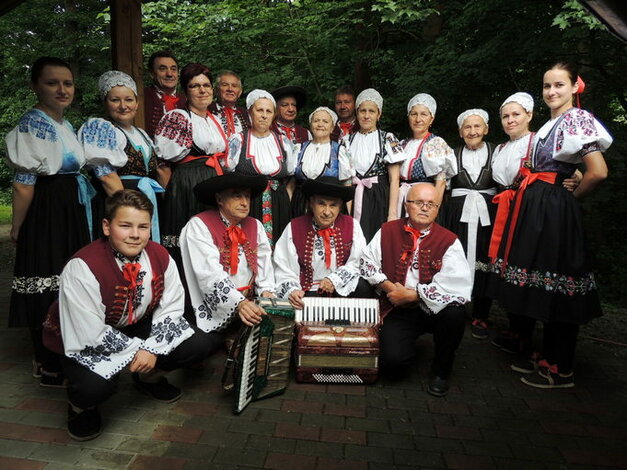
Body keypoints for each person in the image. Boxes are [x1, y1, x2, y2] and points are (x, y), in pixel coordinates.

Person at [50, 190, 214, 441]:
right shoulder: (82, 266)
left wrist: (152, 349)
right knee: (96, 386)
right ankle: (81, 406)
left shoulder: (160, 255)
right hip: (85, 336)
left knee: (201, 342)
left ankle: (149, 377)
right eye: (125, 226)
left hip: (135, 325)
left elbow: (170, 306)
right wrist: (139, 351)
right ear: (107, 226)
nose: (135, 235)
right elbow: (88, 330)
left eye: (143, 226)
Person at [489, 62, 611, 389]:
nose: (552, 92)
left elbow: (597, 170)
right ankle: (549, 357)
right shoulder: (555, 122)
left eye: (559, 85)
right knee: (547, 283)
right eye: (547, 86)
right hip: (541, 208)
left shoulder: (577, 119)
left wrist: (571, 196)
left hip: (554, 211)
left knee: (559, 284)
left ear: (575, 87)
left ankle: (561, 368)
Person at [5, 56, 96, 387]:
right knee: (46, 279)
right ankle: (47, 361)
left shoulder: (66, 125)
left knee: (68, 279)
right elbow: (23, 183)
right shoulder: (31, 125)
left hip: (70, 205)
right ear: (35, 86)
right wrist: (18, 226)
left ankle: (66, 350)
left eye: (67, 83)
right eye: (52, 82)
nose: (62, 89)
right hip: (47, 208)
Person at [360, 183, 471, 396]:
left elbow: (457, 284)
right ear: (406, 204)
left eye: (431, 204)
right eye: (419, 202)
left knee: (455, 312)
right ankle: (406, 346)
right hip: (397, 309)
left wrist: (415, 294)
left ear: (438, 209)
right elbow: (366, 262)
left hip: (434, 310)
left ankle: (442, 369)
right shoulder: (387, 230)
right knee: (392, 366)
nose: (425, 208)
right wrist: (389, 287)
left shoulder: (449, 240)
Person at [179, 172, 275, 333]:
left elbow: (265, 266)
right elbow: (209, 275)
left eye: (247, 196)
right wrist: (238, 303)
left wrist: (267, 292)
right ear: (219, 199)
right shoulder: (199, 225)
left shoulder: (255, 225)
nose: (245, 202)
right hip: (215, 308)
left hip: (249, 306)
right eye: (237, 196)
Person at [154, 63, 228, 260]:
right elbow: (162, 162)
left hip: (213, 182)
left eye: (206, 85)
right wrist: (171, 193)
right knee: (190, 241)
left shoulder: (214, 119)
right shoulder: (179, 117)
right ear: (186, 91)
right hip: (188, 185)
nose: (202, 90)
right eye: (195, 86)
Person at [79, 71, 164, 241]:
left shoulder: (141, 134)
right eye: (115, 100)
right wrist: (128, 211)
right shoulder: (102, 128)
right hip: (117, 203)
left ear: (137, 103)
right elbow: (107, 177)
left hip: (142, 202)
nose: (123, 106)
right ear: (105, 103)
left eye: (129, 99)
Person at [439, 108, 496, 340]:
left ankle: (481, 313)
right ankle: (457, 307)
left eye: (477, 126)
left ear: (486, 129)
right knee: (456, 257)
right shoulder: (452, 154)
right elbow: (443, 186)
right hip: (458, 216)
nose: (472, 131)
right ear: (461, 132)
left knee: (485, 259)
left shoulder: (498, 152)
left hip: (487, 216)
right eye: (467, 127)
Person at [274, 177, 370, 308]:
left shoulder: (352, 225)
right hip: (307, 294)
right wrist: (293, 291)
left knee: (362, 286)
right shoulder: (294, 227)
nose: (327, 212)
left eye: (333, 205)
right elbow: (284, 267)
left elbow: (358, 262)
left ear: (340, 206)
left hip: (342, 291)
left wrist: (335, 279)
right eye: (321, 204)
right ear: (311, 204)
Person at [224, 89, 296, 245]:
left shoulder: (284, 142)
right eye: (260, 110)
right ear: (250, 113)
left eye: (269, 111)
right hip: (249, 201)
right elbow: (228, 170)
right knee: (250, 243)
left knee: (281, 245)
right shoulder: (238, 139)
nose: (264, 115)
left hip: (279, 202)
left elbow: (290, 171)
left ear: (274, 115)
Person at [346, 88, 405, 242]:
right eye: (362, 111)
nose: (366, 116)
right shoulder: (347, 140)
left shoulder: (388, 138)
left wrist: (392, 213)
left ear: (379, 114)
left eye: (371, 111)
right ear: (357, 113)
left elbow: (394, 179)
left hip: (378, 198)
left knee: (376, 243)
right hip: (352, 197)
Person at [291, 107, 354, 217]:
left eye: (325, 121)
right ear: (311, 125)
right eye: (316, 121)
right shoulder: (299, 148)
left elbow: (347, 184)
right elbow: (291, 184)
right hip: (300, 204)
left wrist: (348, 216)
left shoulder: (339, 150)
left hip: (328, 205)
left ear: (332, 127)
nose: (320, 124)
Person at [399, 93, 455, 214]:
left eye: (424, 114)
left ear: (432, 119)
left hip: (424, 204)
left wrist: (432, 211)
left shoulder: (435, 143)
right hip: (403, 201)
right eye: (414, 114)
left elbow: (440, 183)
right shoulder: (402, 144)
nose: (418, 119)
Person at [144, 51, 186, 138]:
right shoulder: (142, 98)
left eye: (173, 69)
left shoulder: (186, 100)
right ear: (152, 74)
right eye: (163, 69)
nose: (169, 74)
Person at [208, 70, 250, 136]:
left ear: (240, 92)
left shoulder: (245, 114)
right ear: (216, 90)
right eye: (225, 85)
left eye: (234, 86)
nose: (230, 89)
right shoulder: (206, 110)